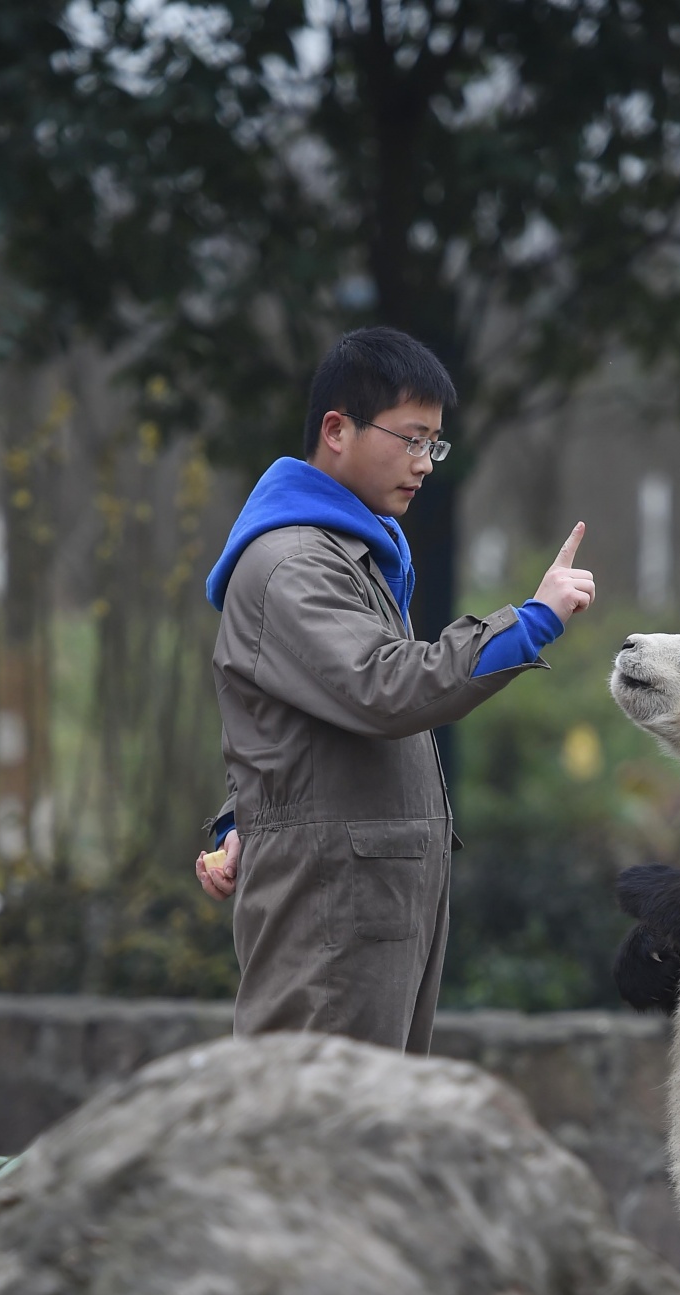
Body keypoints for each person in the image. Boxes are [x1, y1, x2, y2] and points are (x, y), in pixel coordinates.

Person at [195, 326, 594, 1053]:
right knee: (317, 1112)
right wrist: (529, 625)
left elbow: (287, 727)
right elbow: (383, 687)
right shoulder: (294, 564)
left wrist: (239, 821)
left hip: (365, 902)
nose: (423, 463)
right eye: (410, 439)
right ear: (336, 430)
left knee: (364, 1114)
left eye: (434, 445)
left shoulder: (355, 553)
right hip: (333, 908)